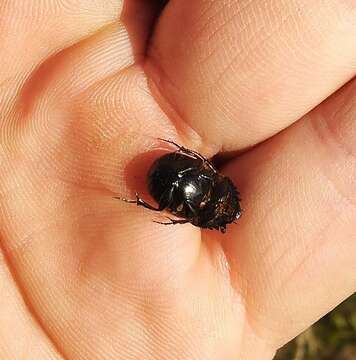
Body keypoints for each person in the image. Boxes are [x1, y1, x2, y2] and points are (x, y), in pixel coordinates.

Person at [0, 1, 355, 359]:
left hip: (175, 176)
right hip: (172, 178)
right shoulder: (201, 207)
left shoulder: (204, 200)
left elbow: (194, 196)